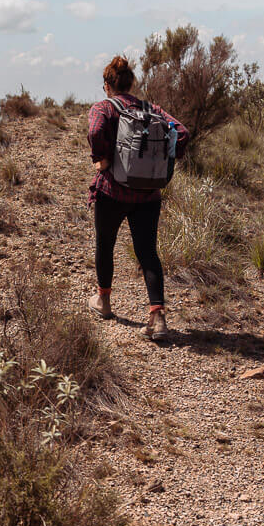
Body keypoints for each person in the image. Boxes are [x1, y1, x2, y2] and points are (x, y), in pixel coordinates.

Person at [87, 56, 189, 341]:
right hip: (148, 194)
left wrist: (102, 159)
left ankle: (104, 301)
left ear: (107, 85)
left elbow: (95, 131)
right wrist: (164, 163)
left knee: (105, 245)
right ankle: (157, 318)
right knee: (147, 253)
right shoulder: (151, 109)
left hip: (112, 191)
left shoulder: (103, 108)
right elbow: (181, 133)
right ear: (132, 84)